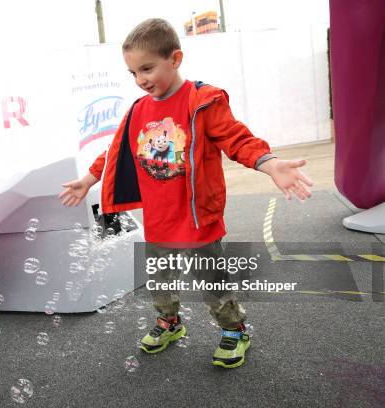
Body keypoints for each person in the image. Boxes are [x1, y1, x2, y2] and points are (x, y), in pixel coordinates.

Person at [58, 18, 313, 369]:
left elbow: (237, 139)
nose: (140, 79)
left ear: (175, 59)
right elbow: (117, 151)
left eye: (147, 68)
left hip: (197, 220)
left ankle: (234, 330)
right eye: (133, 72)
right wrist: (89, 179)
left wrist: (268, 163)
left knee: (212, 283)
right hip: (159, 220)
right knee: (159, 281)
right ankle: (170, 322)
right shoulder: (138, 110)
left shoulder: (203, 101)